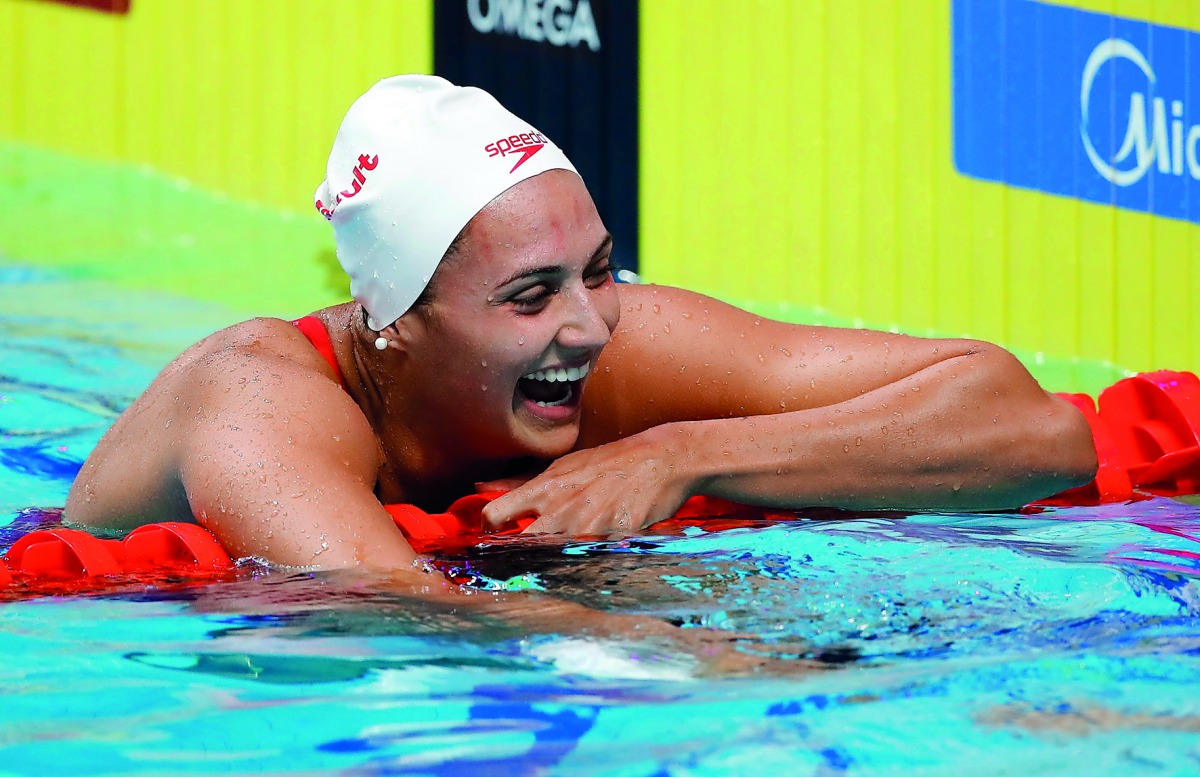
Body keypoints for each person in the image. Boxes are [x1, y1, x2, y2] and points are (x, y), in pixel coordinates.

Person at [64, 75, 1098, 573]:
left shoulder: (614, 349)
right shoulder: (257, 403)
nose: (591, 327)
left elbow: (1036, 432)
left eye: (598, 271)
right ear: (396, 325)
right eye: (530, 295)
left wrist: (686, 453)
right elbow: (386, 612)